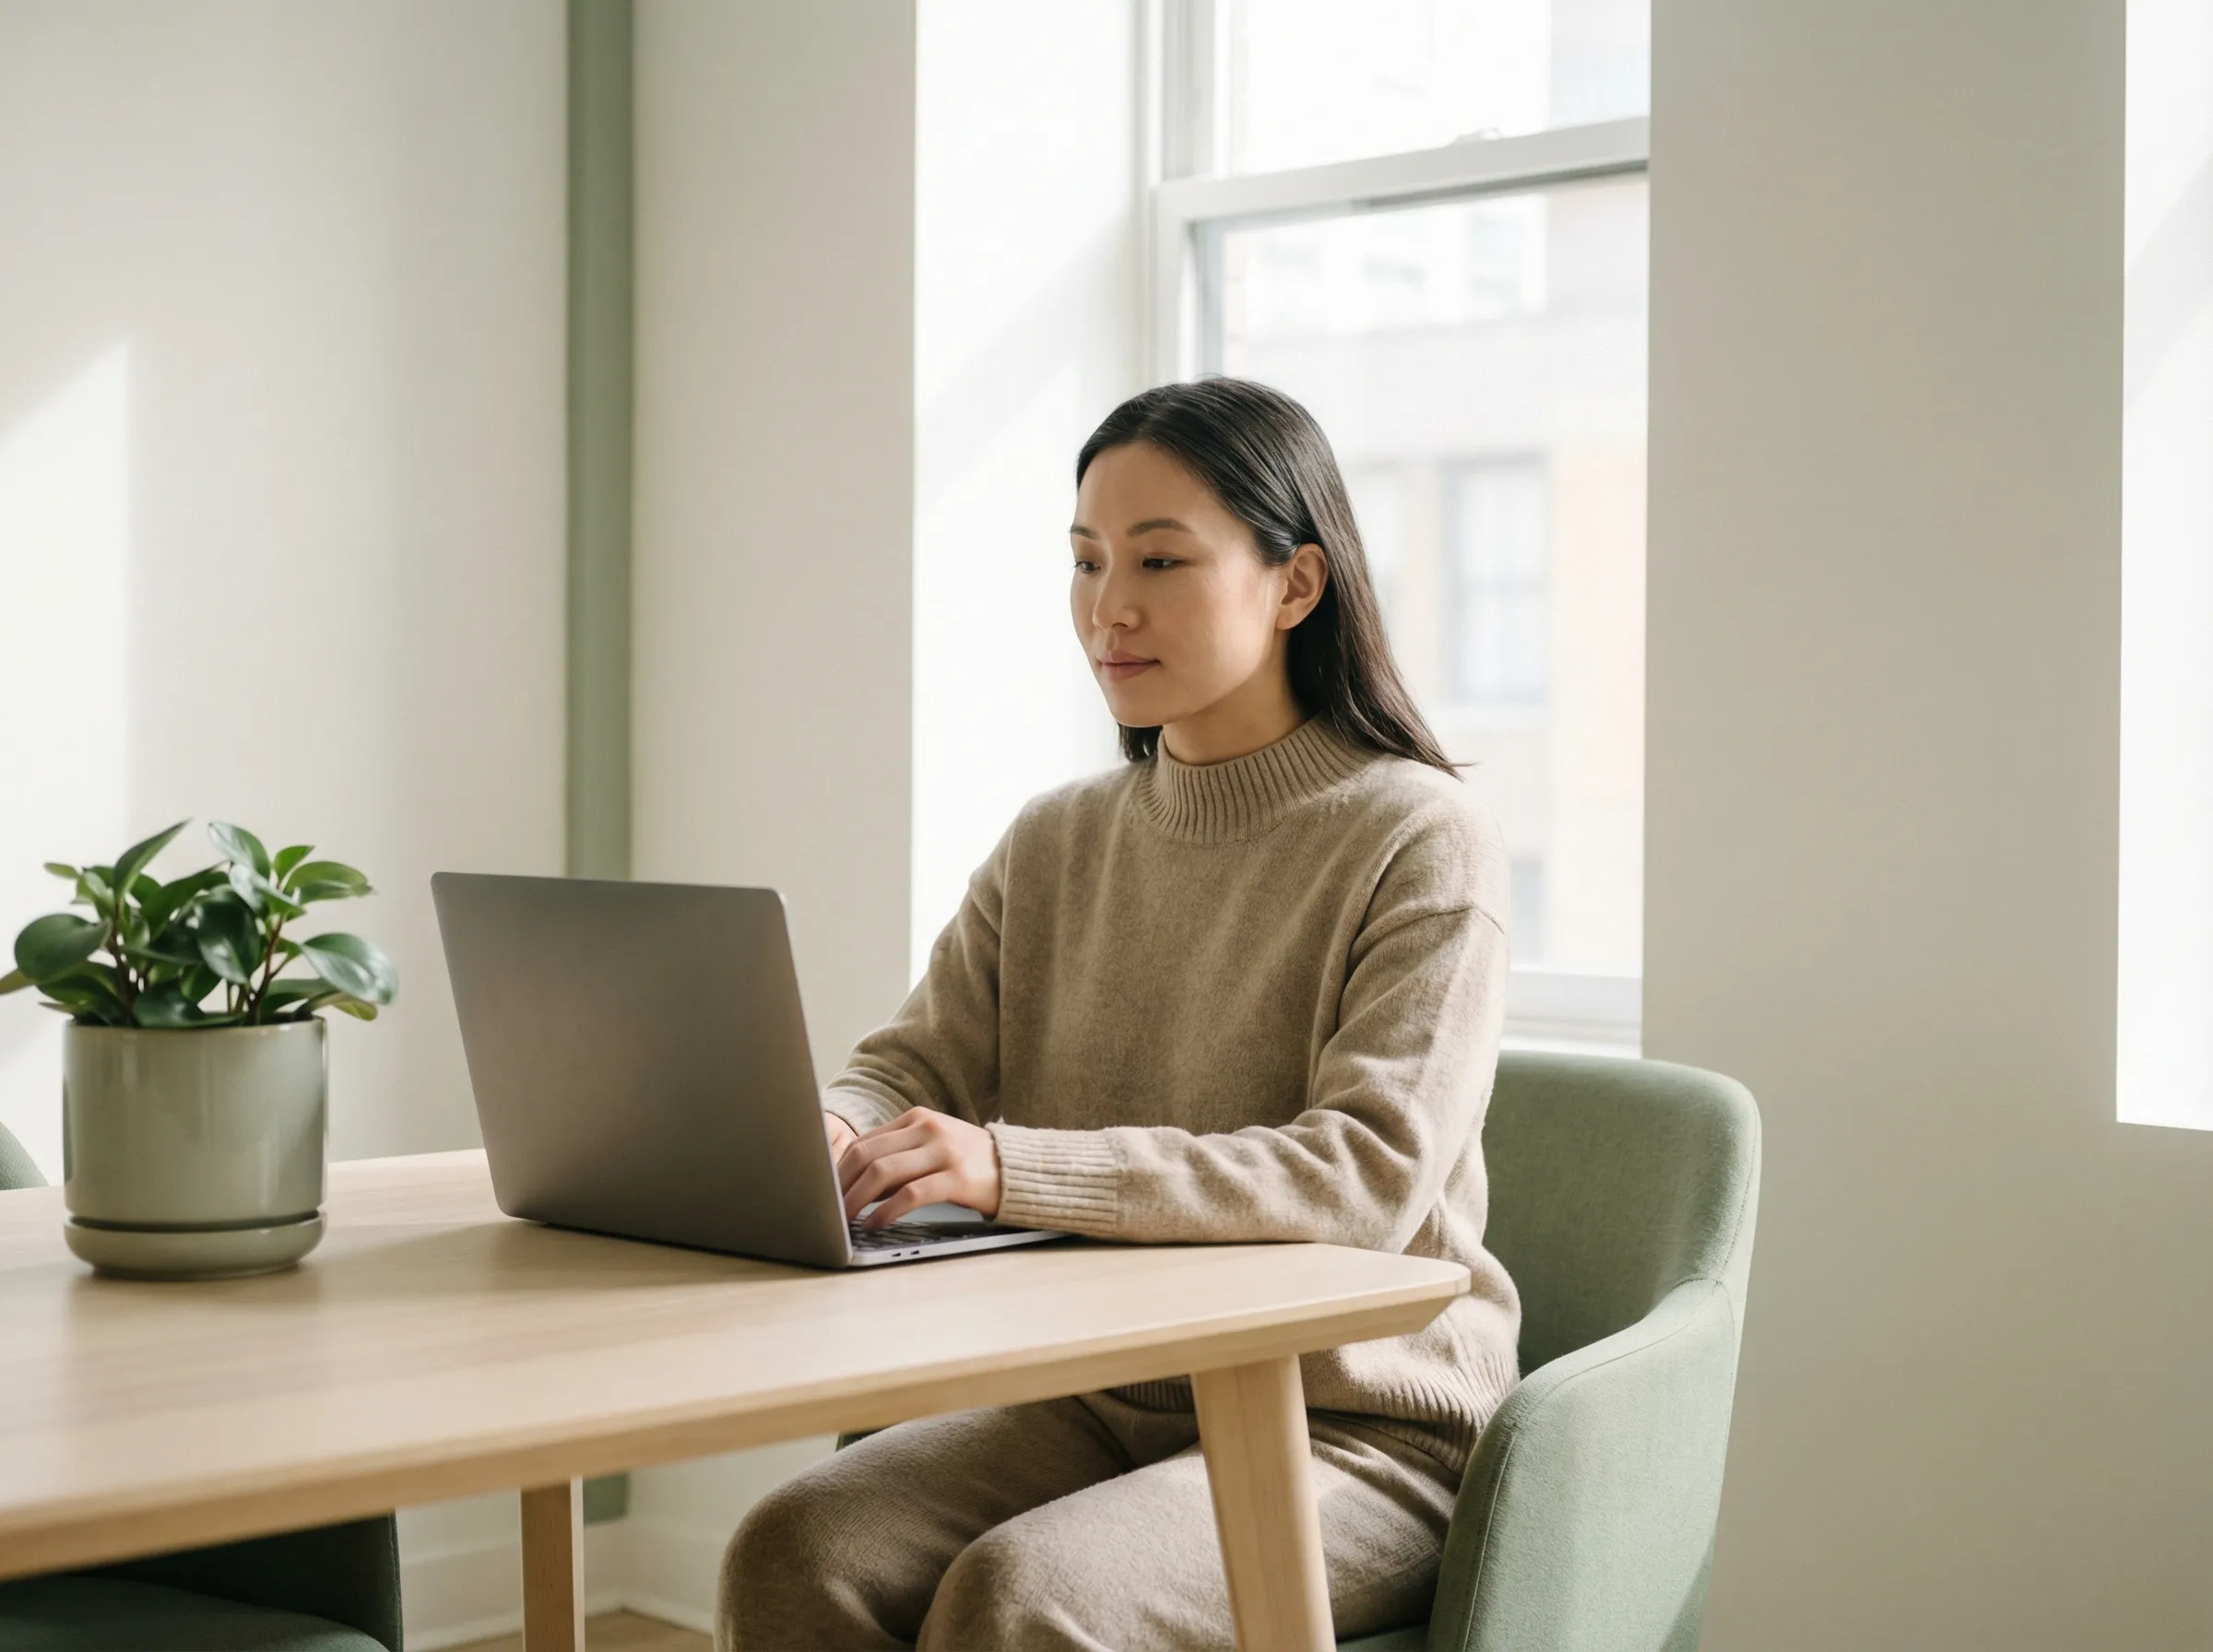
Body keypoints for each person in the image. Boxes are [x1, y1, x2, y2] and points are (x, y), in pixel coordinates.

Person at [718, 378, 1520, 1650]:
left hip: (1357, 1425)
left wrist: (1007, 1168)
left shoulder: (1419, 838)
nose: (1109, 609)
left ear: (1296, 585)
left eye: (1160, 559)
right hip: (1101, 1396)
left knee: (1023, 1599)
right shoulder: (1058, 839)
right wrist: (828, 1122)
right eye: (1086, 562)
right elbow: (913, 1059)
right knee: (796, 1547)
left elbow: (1361, 1178)